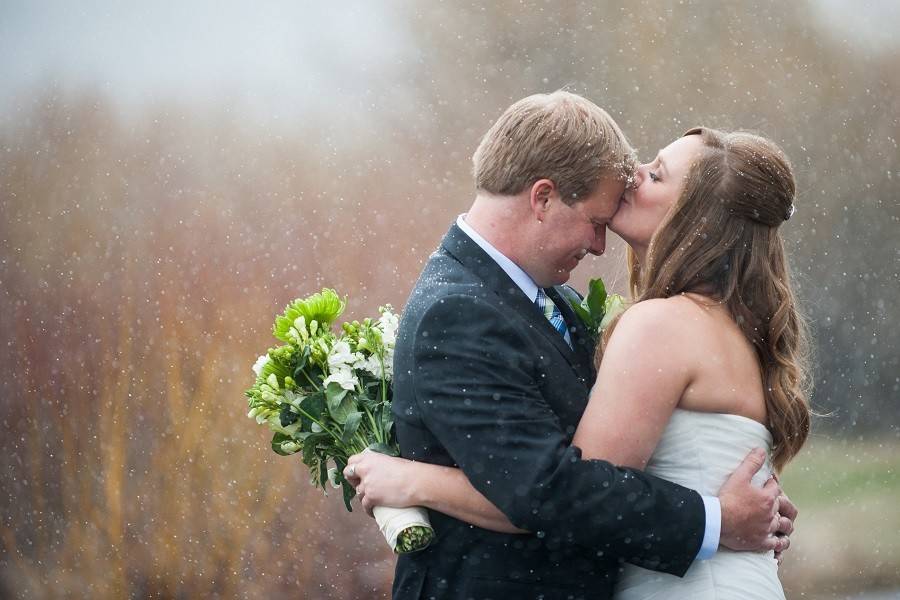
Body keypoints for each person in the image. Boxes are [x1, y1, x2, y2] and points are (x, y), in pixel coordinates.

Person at [345, 93, 798, 600]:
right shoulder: (459, 312)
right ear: (542, 198)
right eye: (596, 223)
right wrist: (717, 518)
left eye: (656, 175)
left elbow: (558, 488)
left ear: (697, 218)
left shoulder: (642, 321)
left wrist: (414, 482)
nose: (601, 245)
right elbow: (551, 489)